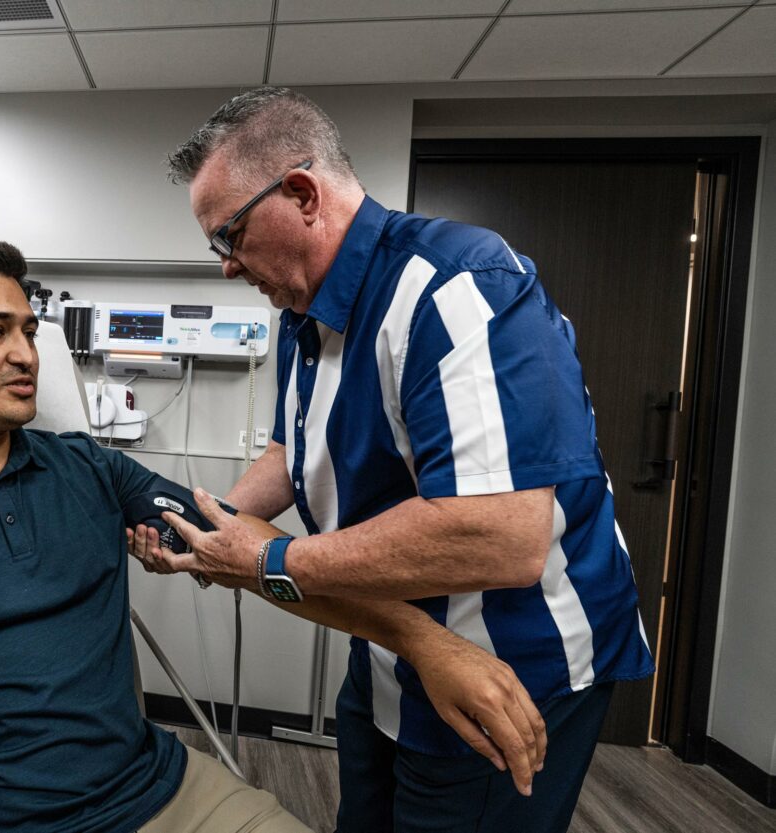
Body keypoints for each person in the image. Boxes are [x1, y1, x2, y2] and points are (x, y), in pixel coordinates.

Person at [0, 235, 546, 833]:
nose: (26, 356)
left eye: (29, 329)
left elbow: (247, 550)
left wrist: (423, 641)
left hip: (160, 796)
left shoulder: (91, 472)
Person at [143, 88, 655, 833]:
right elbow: (296, 450)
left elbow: (503, 533)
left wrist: (273, 561)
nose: (226, 266)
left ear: (301, 193)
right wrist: (215, 528)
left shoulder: (458, 285)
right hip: (390, 638)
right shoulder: (301, 315)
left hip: (508, 661)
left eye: (230, 235)